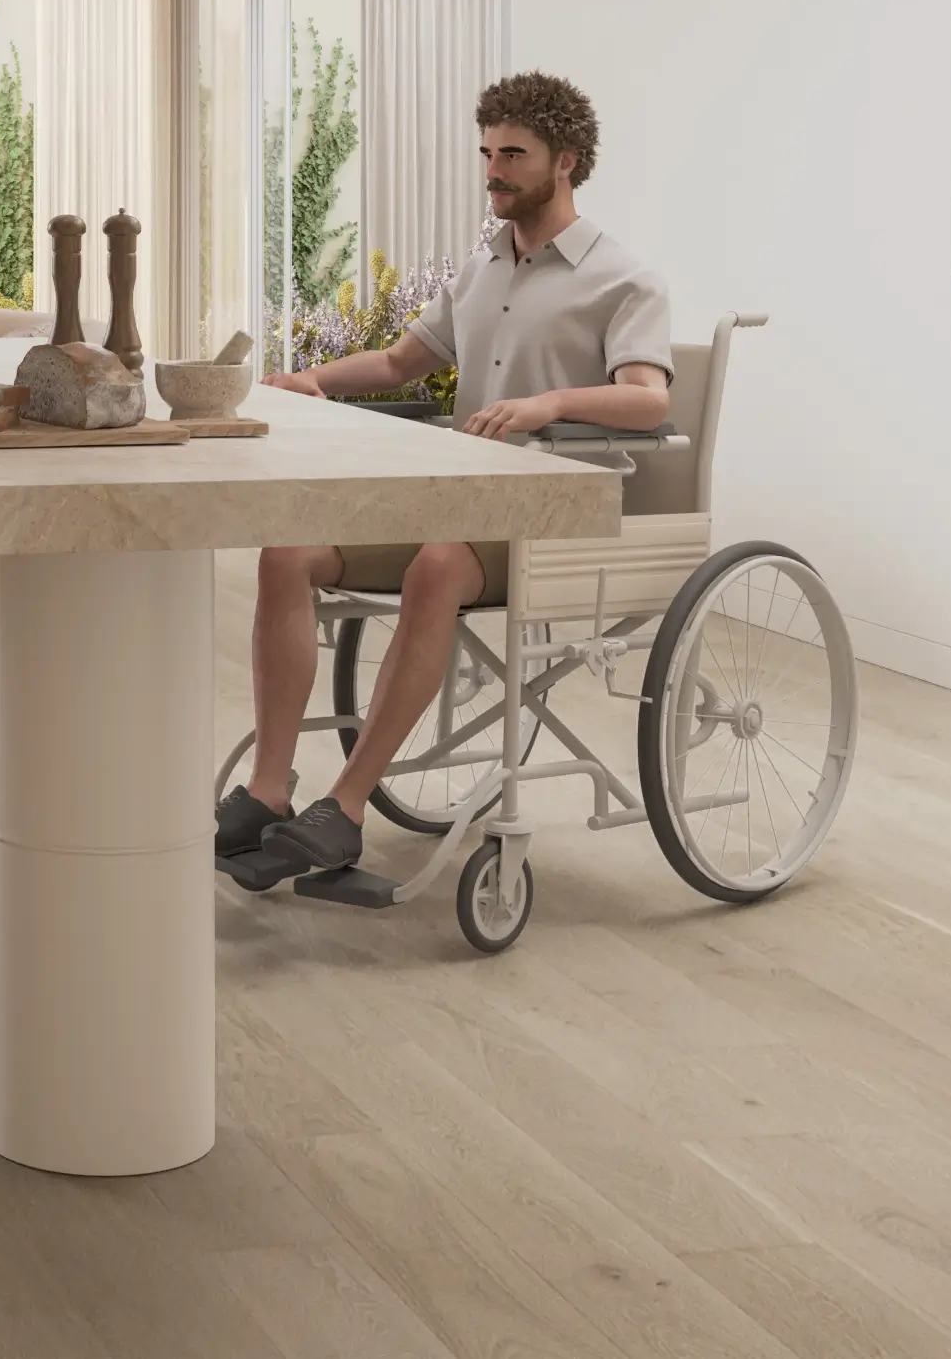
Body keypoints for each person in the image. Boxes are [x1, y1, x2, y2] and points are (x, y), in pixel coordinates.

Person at [218, 70, 673, 888]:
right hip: (461, 503)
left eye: (514, 155)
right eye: (488, 152)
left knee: (437, 563)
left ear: (566, 161)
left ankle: (347, 808)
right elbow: (401, 360)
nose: (494, 171)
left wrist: (549, 403)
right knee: (288, 553)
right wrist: (314, 379)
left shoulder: (623, 278)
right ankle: (268, 788)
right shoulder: (484, 268)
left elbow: (648, 399)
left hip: (554, 513)